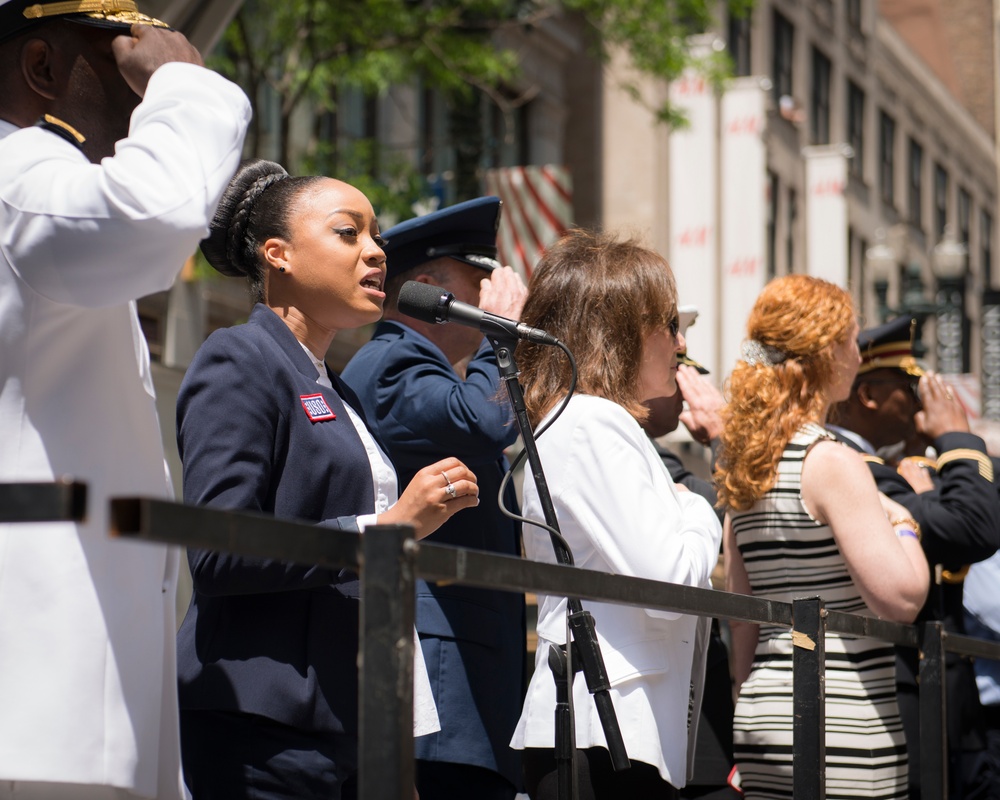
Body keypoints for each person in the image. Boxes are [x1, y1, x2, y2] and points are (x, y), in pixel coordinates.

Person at [0, 2, 250, 797]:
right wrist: (185, 82)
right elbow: (157, 214)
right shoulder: (18, 179)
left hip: (68, 709)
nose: (145, 97)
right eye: (125, 64)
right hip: (41, 718)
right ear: (43, 69)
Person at [174, 159, 480, 800]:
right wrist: (388, 530)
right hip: (262, 724)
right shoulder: (241, 358)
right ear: (277, 254)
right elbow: (218, 549)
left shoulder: (336, 390)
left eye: (379, 241)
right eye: (350, 233)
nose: (375, 254)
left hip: (353, 727)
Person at [509, 228, 723, 799]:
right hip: (602, 732)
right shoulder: (592, 422)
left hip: (610, 727)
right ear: (621, 335)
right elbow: (673, 582)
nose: (680, 344)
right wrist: (700, 510)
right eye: (669, 325)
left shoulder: (586, 421)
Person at [341, 196, 527, 800]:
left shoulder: (434, 367)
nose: (491, 297)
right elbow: (483, 423)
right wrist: (503, 336)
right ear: (425, 290)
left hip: (472, 661)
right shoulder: (394, 359)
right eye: (478, 284)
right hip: (443, 671)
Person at [717, 275, 930, 799]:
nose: (859, 355)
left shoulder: (747, 465)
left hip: (764, 712)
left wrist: (744, 690)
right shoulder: (830, 460)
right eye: (852, 341)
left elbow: (742, 613)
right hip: (841, 716)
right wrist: (903, 521)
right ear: (827, 352)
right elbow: (901, 598)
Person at [828, 315, 1000, 800]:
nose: (923, 399)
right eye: (911, 384)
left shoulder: (892, 467)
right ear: (869, 395)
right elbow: (974, 526)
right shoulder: (855, 471)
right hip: (901, 705)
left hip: (949, 708)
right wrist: (957, 438)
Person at [642, 351, 739, 800]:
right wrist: (724, 438)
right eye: (675, 373)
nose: (687, 391)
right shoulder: (636, 453)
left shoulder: (650, 452)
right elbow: (725, 508)